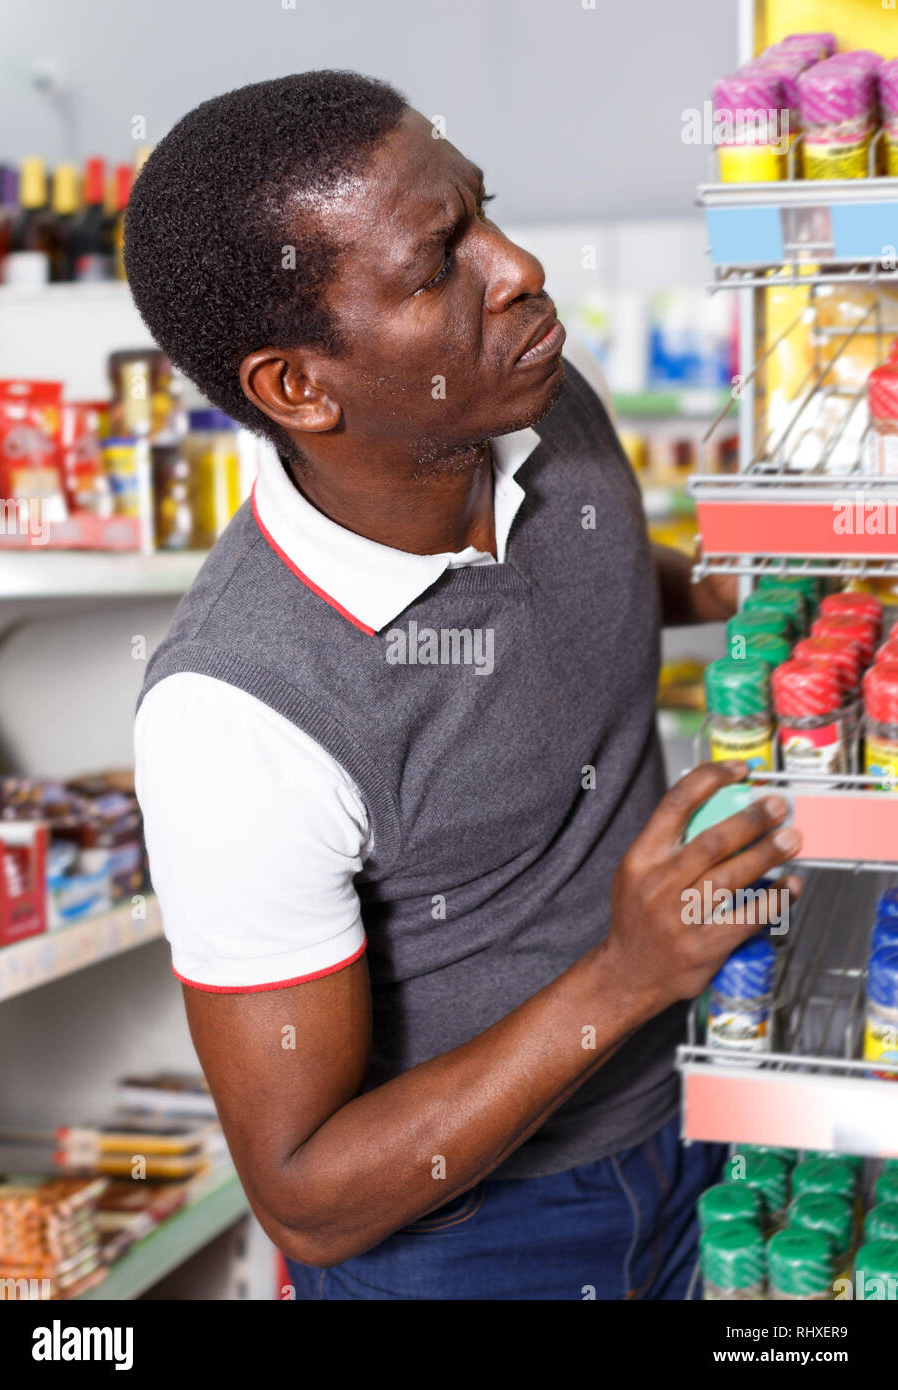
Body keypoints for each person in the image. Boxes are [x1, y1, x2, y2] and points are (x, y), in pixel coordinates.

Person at [128, 70, 802, 1300]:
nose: (520, 268)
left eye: (484, 211)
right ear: (298, 387)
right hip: (473, 1245)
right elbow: (307, 1196)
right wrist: (628, 971)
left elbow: (581, 561)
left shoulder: (533, 403)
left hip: (698, 1122)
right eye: (441, 263)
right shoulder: (236, 717)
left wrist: (725, 588)